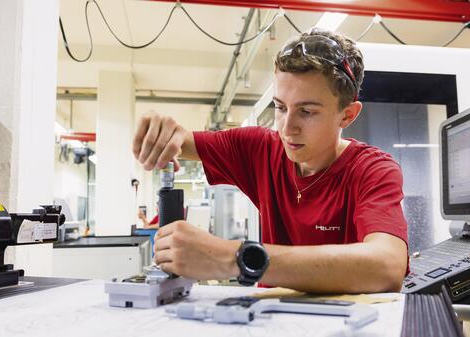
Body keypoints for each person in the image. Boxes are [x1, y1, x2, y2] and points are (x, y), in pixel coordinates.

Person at [132, 28, 408, 293]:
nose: (287, 128)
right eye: (280, 107)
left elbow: (387, 266)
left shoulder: (372, 170)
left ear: (347, 115)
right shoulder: (260, 149)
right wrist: (161, 132)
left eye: (307, 111)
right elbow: (181, 140)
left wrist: (235, 258)